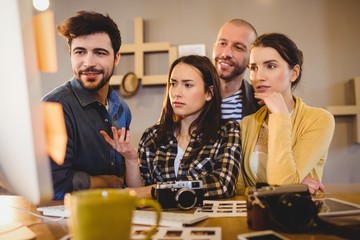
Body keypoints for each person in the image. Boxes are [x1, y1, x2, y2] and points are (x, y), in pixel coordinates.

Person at [101, 55, 241, 199]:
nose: (176, 93)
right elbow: (137, 192)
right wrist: (130, 159)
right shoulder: (153, 136)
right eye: (173, 84)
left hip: (208, 220)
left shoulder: (227, 130)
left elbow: (223, 185)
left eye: (188, 85)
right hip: (161, 220)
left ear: (209, 93)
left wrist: (154, 191)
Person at [42, 11, 131, 200]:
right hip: (67, 222)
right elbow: (55, 186)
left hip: (115, 214)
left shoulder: (122, 109)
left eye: (100, 53)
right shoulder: (54, 107)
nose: (88, 63)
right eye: (80, 52)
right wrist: (110, 182)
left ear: (116, 58)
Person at [237, 33, 335, 195]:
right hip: (254, 216)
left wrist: (280, 116)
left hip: (299, 217)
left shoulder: (319, 119)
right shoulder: (246, 124)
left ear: (294, 73)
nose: (258, 77)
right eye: (254, 68)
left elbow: (281, 185)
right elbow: (237, 189)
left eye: (271, 66)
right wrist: (294, 185)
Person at [212, 19, 261, 122]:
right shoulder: (192, 96)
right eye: (222, 43)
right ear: (214, 47)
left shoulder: (261, 105)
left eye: (238, 47)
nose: (226, 53)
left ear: (251, 59)